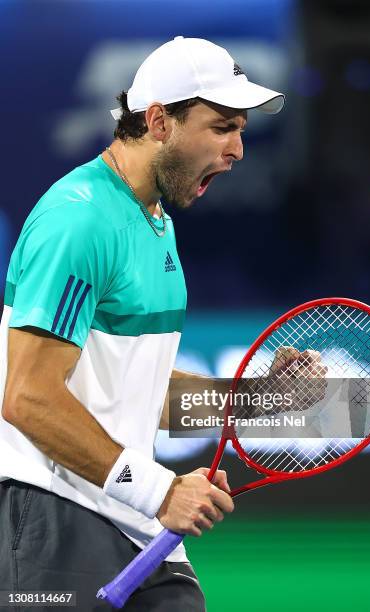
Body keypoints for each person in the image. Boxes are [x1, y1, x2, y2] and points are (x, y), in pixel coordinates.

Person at [0, 36, 285, 610]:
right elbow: (27, 396)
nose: (238, 150)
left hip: (128, 520)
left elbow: (137, 389)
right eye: (223, 127)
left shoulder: (153, 220)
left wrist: (251, 400)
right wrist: (160, 491)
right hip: (55, 516)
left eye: (241, 131)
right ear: (159, 122)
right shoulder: (78, 220)